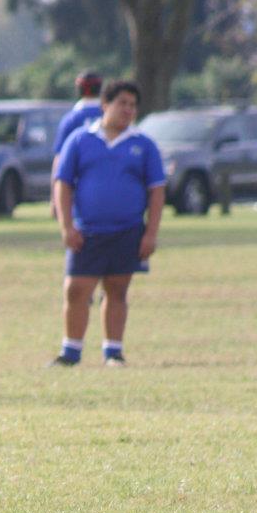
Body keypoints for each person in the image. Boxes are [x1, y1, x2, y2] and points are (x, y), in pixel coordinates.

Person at [50, 80, 165, 367]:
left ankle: (113, 352)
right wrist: (66, 226)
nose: (128, 110)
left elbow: (156, 189)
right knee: (76, 289)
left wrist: (151, 233)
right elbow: (63, 183)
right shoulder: (80, 140)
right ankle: (70, 352)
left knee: (117, 289)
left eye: (133, 105)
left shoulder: (143, 144)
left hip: (127, 230)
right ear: (105, 105)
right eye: (122, 103)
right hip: (87, 230)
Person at [51, 71, 103, 216]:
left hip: (79, 186)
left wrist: (54, 196)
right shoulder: (108, 116)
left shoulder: (71, 119)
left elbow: (59, 160)